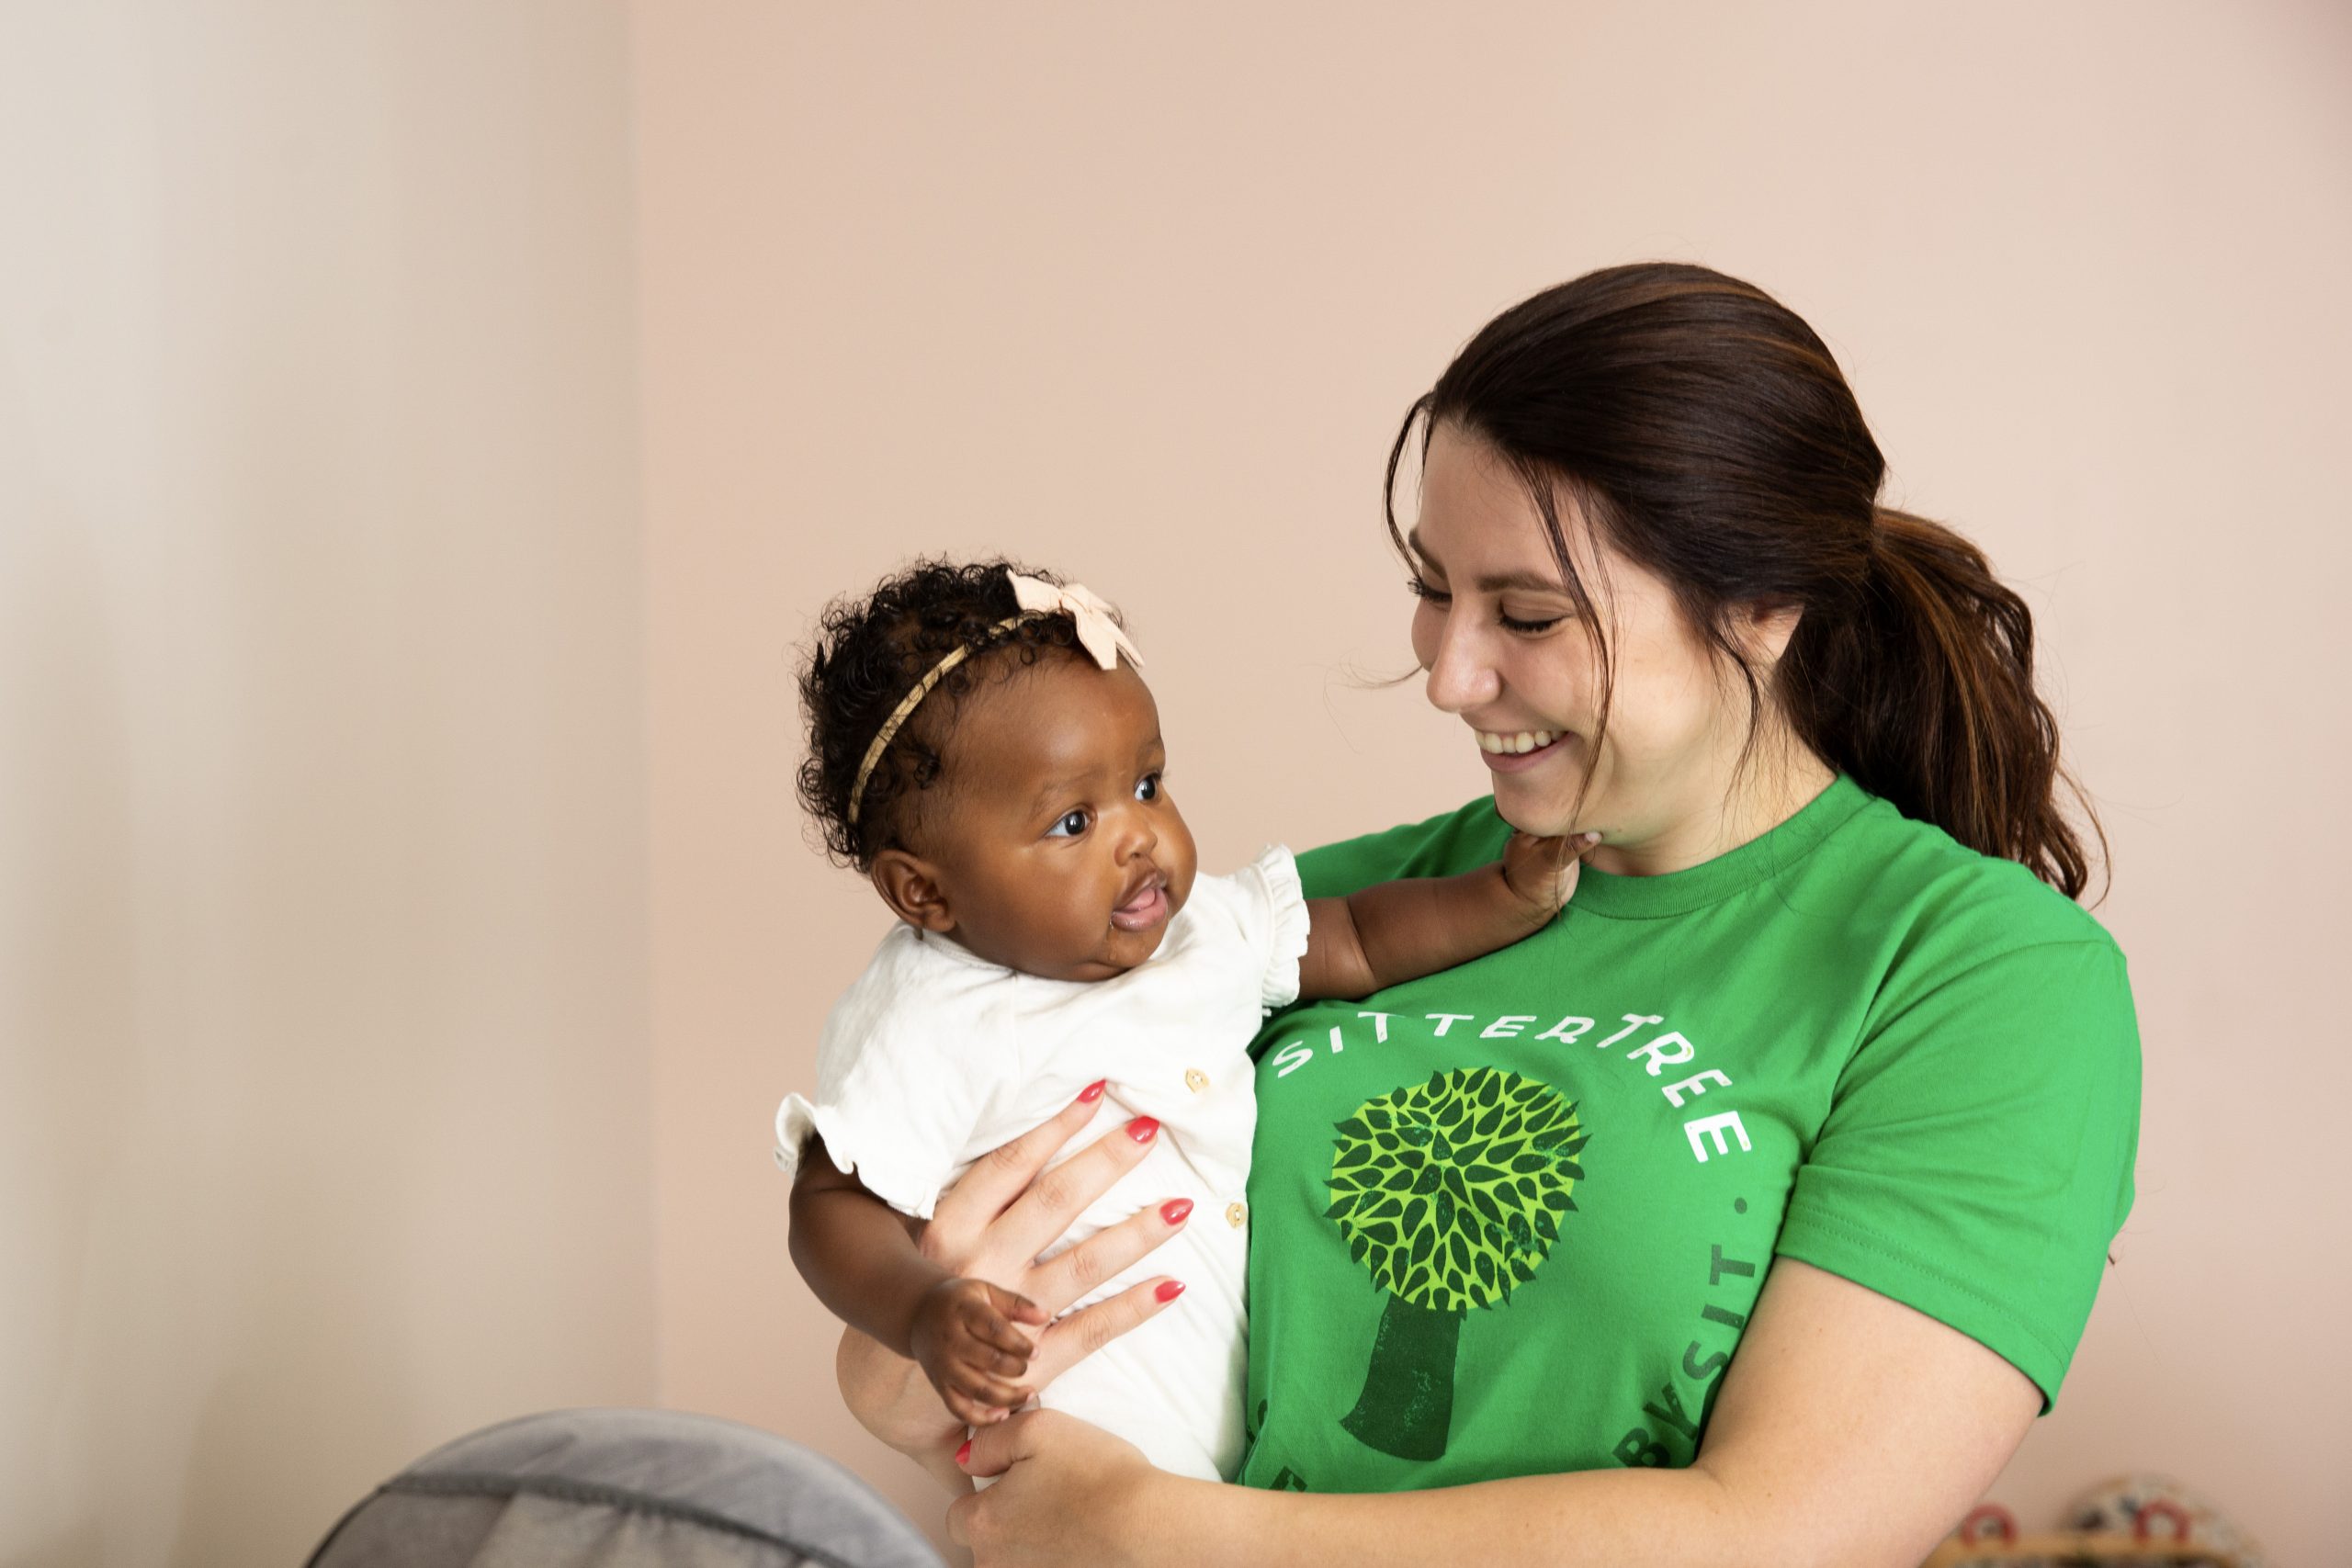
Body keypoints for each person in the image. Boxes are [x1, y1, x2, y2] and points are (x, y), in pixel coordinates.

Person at [825, 262, 2143, 1567]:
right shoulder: (1364, 903)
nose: (1451, 673)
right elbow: (917, 1342)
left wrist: (1170, 1536)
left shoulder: (1984, 977)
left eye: (1526, 612)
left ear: (1761, 605)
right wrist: (913, 1348)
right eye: (1434, 586)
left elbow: (1786, 1529)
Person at [777, 561, 1589, 1483]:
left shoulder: (1197, 928)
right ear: (924, 890)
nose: (1139, 836)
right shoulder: (928, 1016)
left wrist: (1504, 895)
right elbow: (830, 1206)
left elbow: (1356, 938)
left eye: (1149, 785)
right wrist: (923, 1311)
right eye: (1074, 820)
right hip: (1079, 1450)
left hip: (1245, 1452)